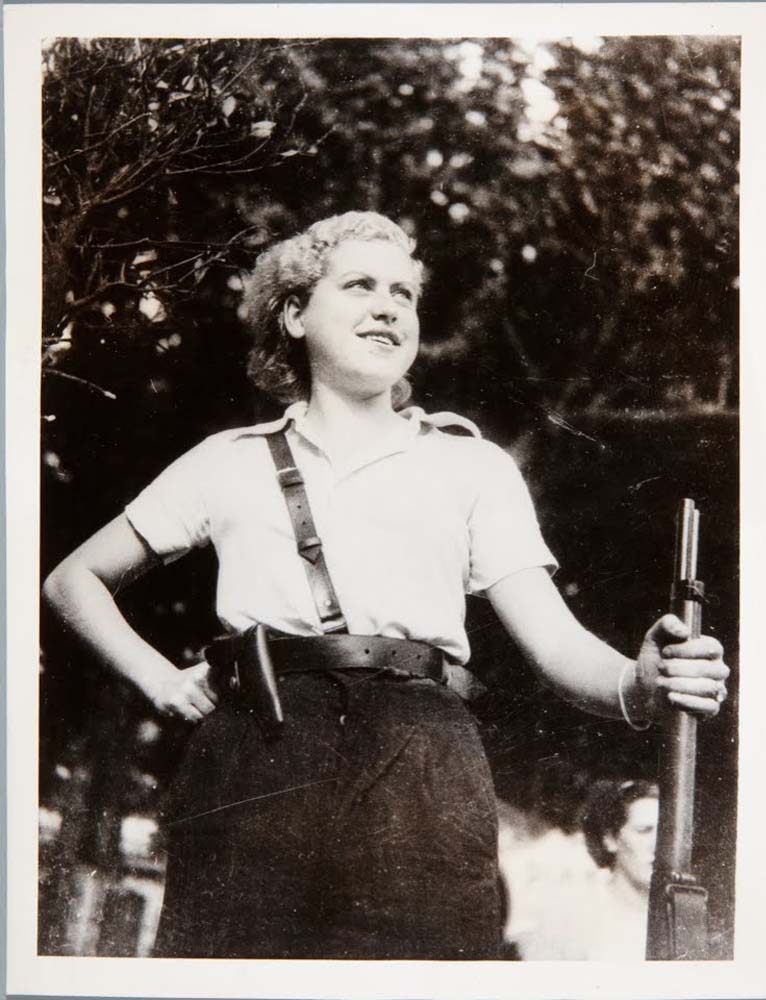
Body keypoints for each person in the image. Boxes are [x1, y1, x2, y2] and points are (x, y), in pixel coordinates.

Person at [43, 211, 729, 961]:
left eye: (402, 293)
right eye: (360, 285)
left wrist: (641, 678)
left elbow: (556, 642)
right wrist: (157, 678)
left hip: (423, 768)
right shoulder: (226, 461)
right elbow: (74, 578)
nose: (387, 305)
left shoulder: (471, 466)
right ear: (294, 314)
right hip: (255, 759)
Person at [507, 779, 659, 960]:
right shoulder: (571, 912)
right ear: (610, 839)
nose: (658, 845)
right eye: (644, 830)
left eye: (665, 833)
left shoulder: (682, 917)